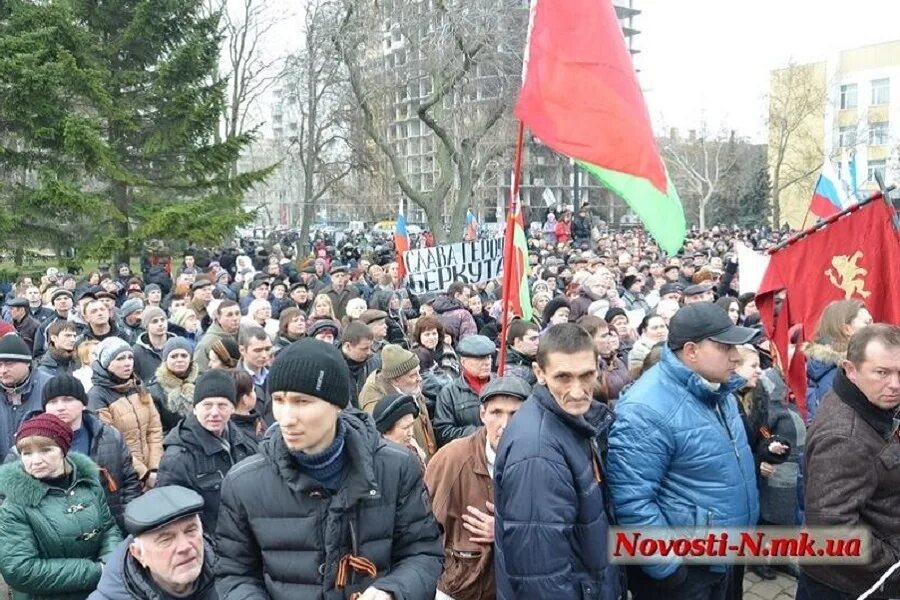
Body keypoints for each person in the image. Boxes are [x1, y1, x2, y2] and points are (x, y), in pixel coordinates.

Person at [214, 338, 443, 599]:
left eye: (302, 402)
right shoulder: (244, 483)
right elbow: (233, 574)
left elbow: (423, 552)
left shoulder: (396, 468)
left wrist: (393, 591)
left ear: (336, 404)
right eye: (279, 400)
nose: (286, 418)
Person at [607, 303, 760, 599]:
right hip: (688, 572)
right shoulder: (646, 408)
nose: (736, 356)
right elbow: (631, 500)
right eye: (725, 347)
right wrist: (670, 569)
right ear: (691, 351)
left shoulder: (718, 388)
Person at [493, 324, 622, 599]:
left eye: (586, 375)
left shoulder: (573, 423)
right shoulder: (537, 451)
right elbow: (539, 577)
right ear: (539, 373)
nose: (577, 390)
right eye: (563, 377)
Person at [800, 324, 900, 599]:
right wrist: (893, 566)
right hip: (847, 587)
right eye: (882, 372)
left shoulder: (867, 400)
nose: (895, 384)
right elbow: (832, 530)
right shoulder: (845, 437)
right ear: (851, 369)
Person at [425, 376, 530, 600]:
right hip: (462, 590)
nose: (505, 424)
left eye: (515, 414)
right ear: (482, 414)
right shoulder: (451, 460)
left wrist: (504, 530)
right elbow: (420, 527)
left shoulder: (540, 460)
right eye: (496, 413)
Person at [0, 413, 122, 599]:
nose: (35, 460)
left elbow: (108, 529)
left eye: (46, 450)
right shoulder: (14, 505)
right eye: (27, 453)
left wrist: (110, 562)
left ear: (63, 449)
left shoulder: (89, 483)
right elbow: (20, 569)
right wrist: (97, 571)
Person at [157, 370, 258, 533]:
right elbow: (172, 517)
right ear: (195, 408)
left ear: (233, 408)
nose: (214, 413)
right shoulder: (177, 458)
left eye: (222, 405)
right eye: (207, 405)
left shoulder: (246, 442)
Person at [40, 374, 142, 530]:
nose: (60, 407)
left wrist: (125, 520)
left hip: (110, 528)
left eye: (68, 399)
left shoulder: (110, 436)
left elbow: (129, 481)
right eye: (53, 402)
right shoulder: (29, 445)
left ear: (83, 404)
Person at [89, 486, 218, 599]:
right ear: (138, 554)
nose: (184, 547)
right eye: (166, 540)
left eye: (191, 530)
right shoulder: (111, 596)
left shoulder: (230, 575)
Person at [87, 337, 163, 490]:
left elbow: (154, 429)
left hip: (154, 473)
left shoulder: (138, 386)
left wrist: (154, 468)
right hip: (125, 477)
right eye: (120, 359)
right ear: (107, 363)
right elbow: (110, 443)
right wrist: (143, 474)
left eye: (130, 357)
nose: (127, 362)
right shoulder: (97, 396)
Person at [358, 344, 438, 460]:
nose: (419, 378)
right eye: (412, 375)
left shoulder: (411, 388)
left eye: (418, 372)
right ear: (396, 380)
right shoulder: (375, 403)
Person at [804, 299, 872, 423]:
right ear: (847, 329)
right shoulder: (840, 374)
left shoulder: (833, 369)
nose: (874, 328)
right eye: (867, 323)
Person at [434, 335, 496, 447]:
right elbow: (443, 432)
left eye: (488, 357)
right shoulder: (449, 393)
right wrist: (482, 433)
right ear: (463, 362)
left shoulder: (501, 386)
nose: (487, 362)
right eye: (480, 358)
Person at [0, 335, 51, 462]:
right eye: (0, 365)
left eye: (9, 364)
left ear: (27, 363)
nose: (3, 370)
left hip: (39, 466)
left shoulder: (49, 386)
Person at [147, 337, 199, 433]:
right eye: (174, 356)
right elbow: (157, 430)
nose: (179, 360)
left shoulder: (200, 382)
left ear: (190, 358)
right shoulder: (154, 391)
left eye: (184, 356)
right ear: (165, 360)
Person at [372, 393, 427, 465]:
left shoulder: (414, 450)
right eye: (405, 428)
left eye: (412, 425)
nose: (411, 433)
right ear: (386, 431)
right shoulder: (381, 464)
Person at [194, 300, 241, 372]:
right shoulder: (208, 342)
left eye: (237, 314)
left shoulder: (245, 333)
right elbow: (199, 370)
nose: (235, 318)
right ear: (219, 318)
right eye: (229, 315)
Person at [132, 307, 174, 383]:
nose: (160, 324)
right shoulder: (137, 351)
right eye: (155, 321)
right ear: (146, 326)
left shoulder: (178, 346)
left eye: (163, 320)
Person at [341, 321, 377, 408]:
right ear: (347, 347)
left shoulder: (375, 363)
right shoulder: (333, 368)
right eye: (364, 349)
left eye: (370, 347)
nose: (369, 352)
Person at [229, 370, 266, 441]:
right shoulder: (238, 434)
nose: (256, 394)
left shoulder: (255, 418)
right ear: (245, 399)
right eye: (253, 390)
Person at [503, 319, 539, 386]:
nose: (537, 342)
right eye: (533, 339)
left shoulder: (537, 358)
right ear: (518, 341)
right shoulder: (509, 371)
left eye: (538, 338)